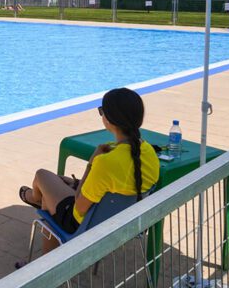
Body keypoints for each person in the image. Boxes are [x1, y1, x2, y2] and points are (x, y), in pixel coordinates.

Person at [18, 88, 159, 252]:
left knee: (41, 176)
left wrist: (91, 163)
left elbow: (80, 206)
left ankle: (34, 198)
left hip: (86, 226)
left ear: (109, 120)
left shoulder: (105, 161)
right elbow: (115, 187)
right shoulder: (150, 153)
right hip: (121, 223)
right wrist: (75, 183)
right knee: (55, 187)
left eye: (102, 111)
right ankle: (48, 259)